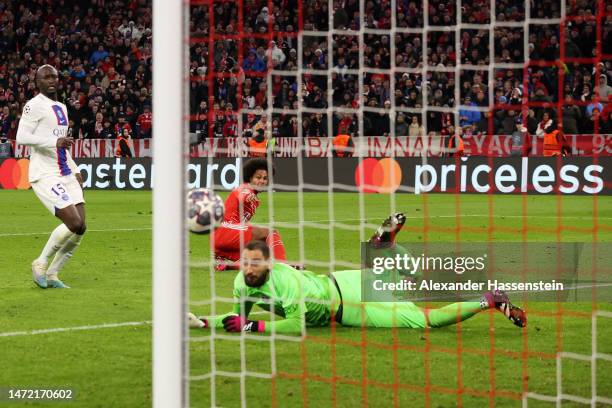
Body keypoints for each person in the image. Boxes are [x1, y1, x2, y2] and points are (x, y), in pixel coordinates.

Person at [190, 215, 526, 333]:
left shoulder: (285, 281)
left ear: (269, 265)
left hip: (350, 305)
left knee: (428, 321)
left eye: (254, 264)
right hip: (344, 280)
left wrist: (254, 325)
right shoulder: (240, 283)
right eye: (244, 264)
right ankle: (383, 247)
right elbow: (237, 317)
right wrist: (205, 322)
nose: (247, 269)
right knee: (408, 280)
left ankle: (488, 300)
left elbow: (294, 325)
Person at [16, 65, 86, 289]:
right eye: (45, 77)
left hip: (65, 171)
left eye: (54, 76)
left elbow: (62, 145)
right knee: (73, 222)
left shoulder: (62, 107)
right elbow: (21, 137)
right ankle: (41, 262)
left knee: (81, 226)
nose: (51, 80)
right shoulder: (34, 106)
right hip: (44, 173)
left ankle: (54, 274)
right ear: (37, 82)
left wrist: (74, 168)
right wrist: (53, 142)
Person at [213, 158, 288, 271]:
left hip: (224, 241)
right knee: (270, 232)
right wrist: (248, 197)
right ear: (250, 177)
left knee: (259, 258)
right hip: (225, 231)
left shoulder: (256, 201)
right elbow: (243, 194)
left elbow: (244, 224)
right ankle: (283, 267)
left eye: (265, 178)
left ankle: (226, 264)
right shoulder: (245, 188)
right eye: (258, 177)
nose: (262, 181)